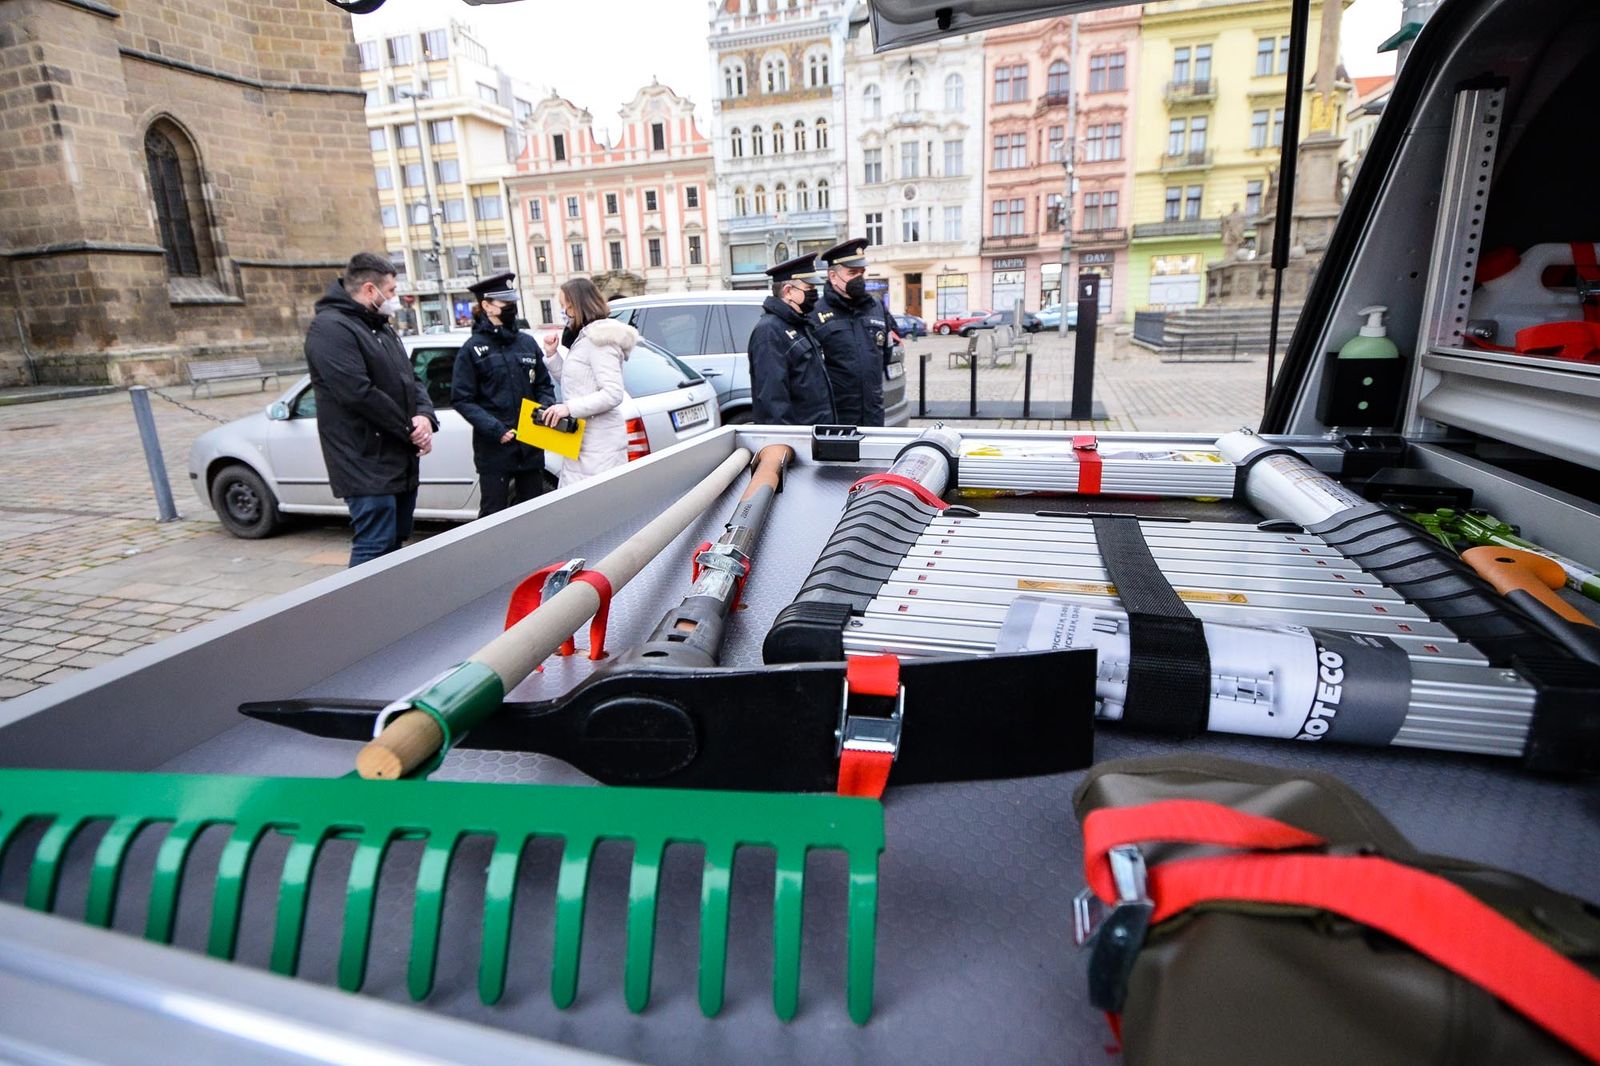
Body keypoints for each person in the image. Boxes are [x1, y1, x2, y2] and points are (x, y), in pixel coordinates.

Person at [303, 252, 437, 567]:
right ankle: (362, 613)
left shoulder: (381, 327)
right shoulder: (331, 329)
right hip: (363, 459)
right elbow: (358, 393)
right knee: (374, 544)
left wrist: (424, 417)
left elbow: (411, 378)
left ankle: (389, 609)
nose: (394, 298)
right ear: (369, 290)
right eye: (390, 291)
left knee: (395, 541)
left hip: (397, 457)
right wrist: (410, 430)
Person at [451, 272, 557, 517]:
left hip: (530, 445)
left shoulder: (527, 343)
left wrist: (544, 407)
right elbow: (462, 398)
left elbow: (543, 384)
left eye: (512, 304)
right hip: (495, 450)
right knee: (494, 516)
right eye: (505, 304)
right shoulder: (473, 349)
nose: (511, 309)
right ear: (486, 306)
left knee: (534, 514)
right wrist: (495, 429)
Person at [538, 278, 638, 488]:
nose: (564, 312)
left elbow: (613, 393)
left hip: (599, 447)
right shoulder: (586, 338)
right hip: (583, 442)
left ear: (578, 305)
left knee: (597, 511)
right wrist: (552, 356)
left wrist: (568, 408)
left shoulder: (600, 339)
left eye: (566, 306)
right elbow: (578, 384)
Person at [811, 237, 894, 427]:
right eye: (852, 272)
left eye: (861, 272)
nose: (859, 278)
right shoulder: (815, 313)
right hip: (837, 416)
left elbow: (886, 353)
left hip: (873, 412)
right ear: (833, 277)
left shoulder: (876, 307)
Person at [747, 252, 836, 425]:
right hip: (800, 440)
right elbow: (773, 402)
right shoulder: (769, 331)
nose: (815, 294)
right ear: (788, 291)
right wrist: (788, 444)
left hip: (816, 434)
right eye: (809, 289)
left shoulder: (800, 323)